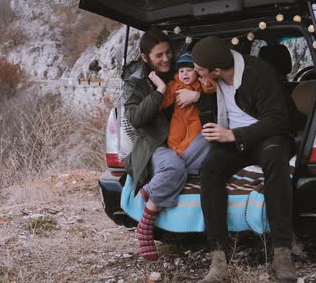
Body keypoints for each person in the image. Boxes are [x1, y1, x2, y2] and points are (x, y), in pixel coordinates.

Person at [191, 37, 296, 283]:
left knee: (275, 160)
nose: (195, 72)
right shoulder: (210, 81)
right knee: (210, 170)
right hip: (233, 140)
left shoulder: (260, 72)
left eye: (199, 68)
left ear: (217, 70)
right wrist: (201, 95)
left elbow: (279, 119)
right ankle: (218, 259)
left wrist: (234, 135)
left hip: (268, 136)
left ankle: (282, 252)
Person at [122, 29, 210, 261]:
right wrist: (160, 91)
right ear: (145, 57)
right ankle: (147, 221)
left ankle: (162, 183)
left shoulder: (182, 70)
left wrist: (198, 97)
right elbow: (136, 120)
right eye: (159, 55)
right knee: (173, 167)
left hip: (185, 141)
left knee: (212, 140)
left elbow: (212, 90)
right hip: (155, 146)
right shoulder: (136, 84)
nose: (165, 59)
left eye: (168, 53)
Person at [158, 51, 216, 157]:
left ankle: (181, 153)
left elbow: (211, 90)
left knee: (193, 136)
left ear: (197, 72)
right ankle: (173, 152)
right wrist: (158, 105)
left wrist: (207, 85)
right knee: (174, 135)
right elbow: (166, 99)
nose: (185, 73)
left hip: (196, 118)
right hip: (178, 117)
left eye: (189, 70)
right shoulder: (174, 85)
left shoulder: (199, 83)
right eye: (181, 71)